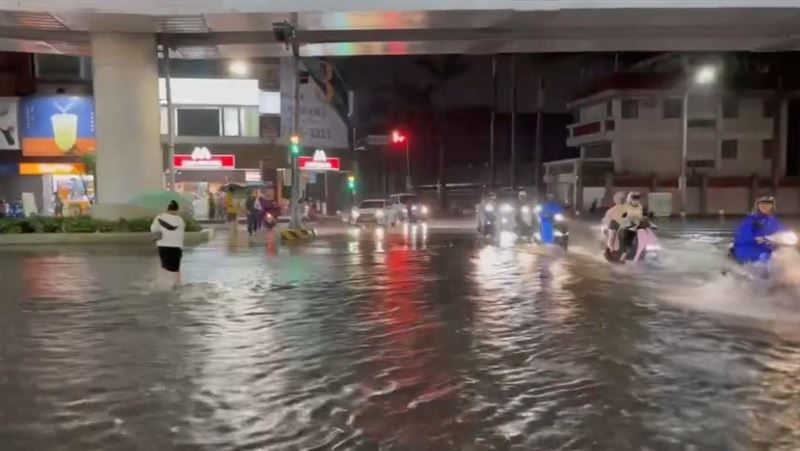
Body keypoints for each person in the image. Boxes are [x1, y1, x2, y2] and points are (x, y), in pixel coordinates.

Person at [731, 196, 787, 265]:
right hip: (751, 249)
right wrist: (755, 239)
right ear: (757, 206)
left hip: (769, 250)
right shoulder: (750, 220)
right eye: (762, 204)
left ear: (772, 207)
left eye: (768, 204)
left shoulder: (774, 221)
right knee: (763, 260)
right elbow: (743, 235)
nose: (765, 206)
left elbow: (782, 232)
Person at [150, 200, 186, 289]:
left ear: (167, 209)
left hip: (162, 245)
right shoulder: (180, 220)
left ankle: (160, 284)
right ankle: (177, 284)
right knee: (176, 267)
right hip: (176, 246)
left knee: (164, 265)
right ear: (177, 210)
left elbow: (153, 229)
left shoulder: (159, 217)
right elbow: (182, 231)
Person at [602, 191, 627, 256]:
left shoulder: (612, 210)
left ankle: (612, 251)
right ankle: (611, 251)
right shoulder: (612, 211)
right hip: (615, 228)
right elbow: (606, 222)